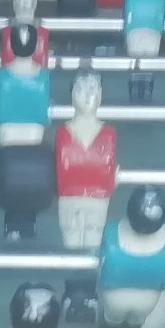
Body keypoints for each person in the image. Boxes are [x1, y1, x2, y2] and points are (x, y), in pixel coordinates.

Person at [98, 185, 165, 328]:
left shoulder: (111, 231)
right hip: (148, 300)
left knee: (112, 321)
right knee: (135, 325)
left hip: (115, 297)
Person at [55, 69, 118, 248]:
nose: (87, 94)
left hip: (98, 200)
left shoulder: (109, 134)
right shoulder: (62, 133)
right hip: (69, 199)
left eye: (92, 88)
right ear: (72, 94)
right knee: (71, 239)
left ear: (100, 94)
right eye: (80, 88)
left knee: (93, 239)